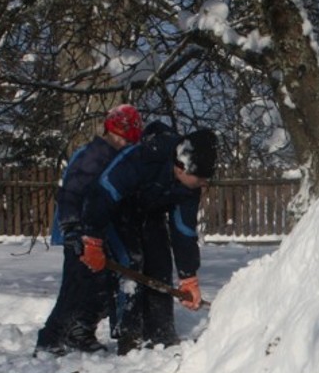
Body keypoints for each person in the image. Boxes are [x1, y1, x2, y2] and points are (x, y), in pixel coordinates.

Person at [78, 121, 216, 353]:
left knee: (160, 265)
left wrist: (188, 276)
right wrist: (92, 238)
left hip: (150, 215)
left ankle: (161, 333)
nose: (204, 183)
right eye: (201, 177)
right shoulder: (142, 158)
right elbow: (103, 192)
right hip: (116, 213)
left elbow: (183, 229)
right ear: (181, 168)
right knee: (130, 261)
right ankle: (129, 335)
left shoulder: (188, 188)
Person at [36, 104, 144, 355]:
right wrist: (72, 229)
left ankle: (80, 331)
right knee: (76, 287)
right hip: (79, 232)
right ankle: (50, 339)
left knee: (100, 285)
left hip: (98, 232)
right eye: (119, 138)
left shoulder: (114, 157)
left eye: (127, 140)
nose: (122, 143)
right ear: (108, 131)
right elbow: (70, 194)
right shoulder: (92, 156)